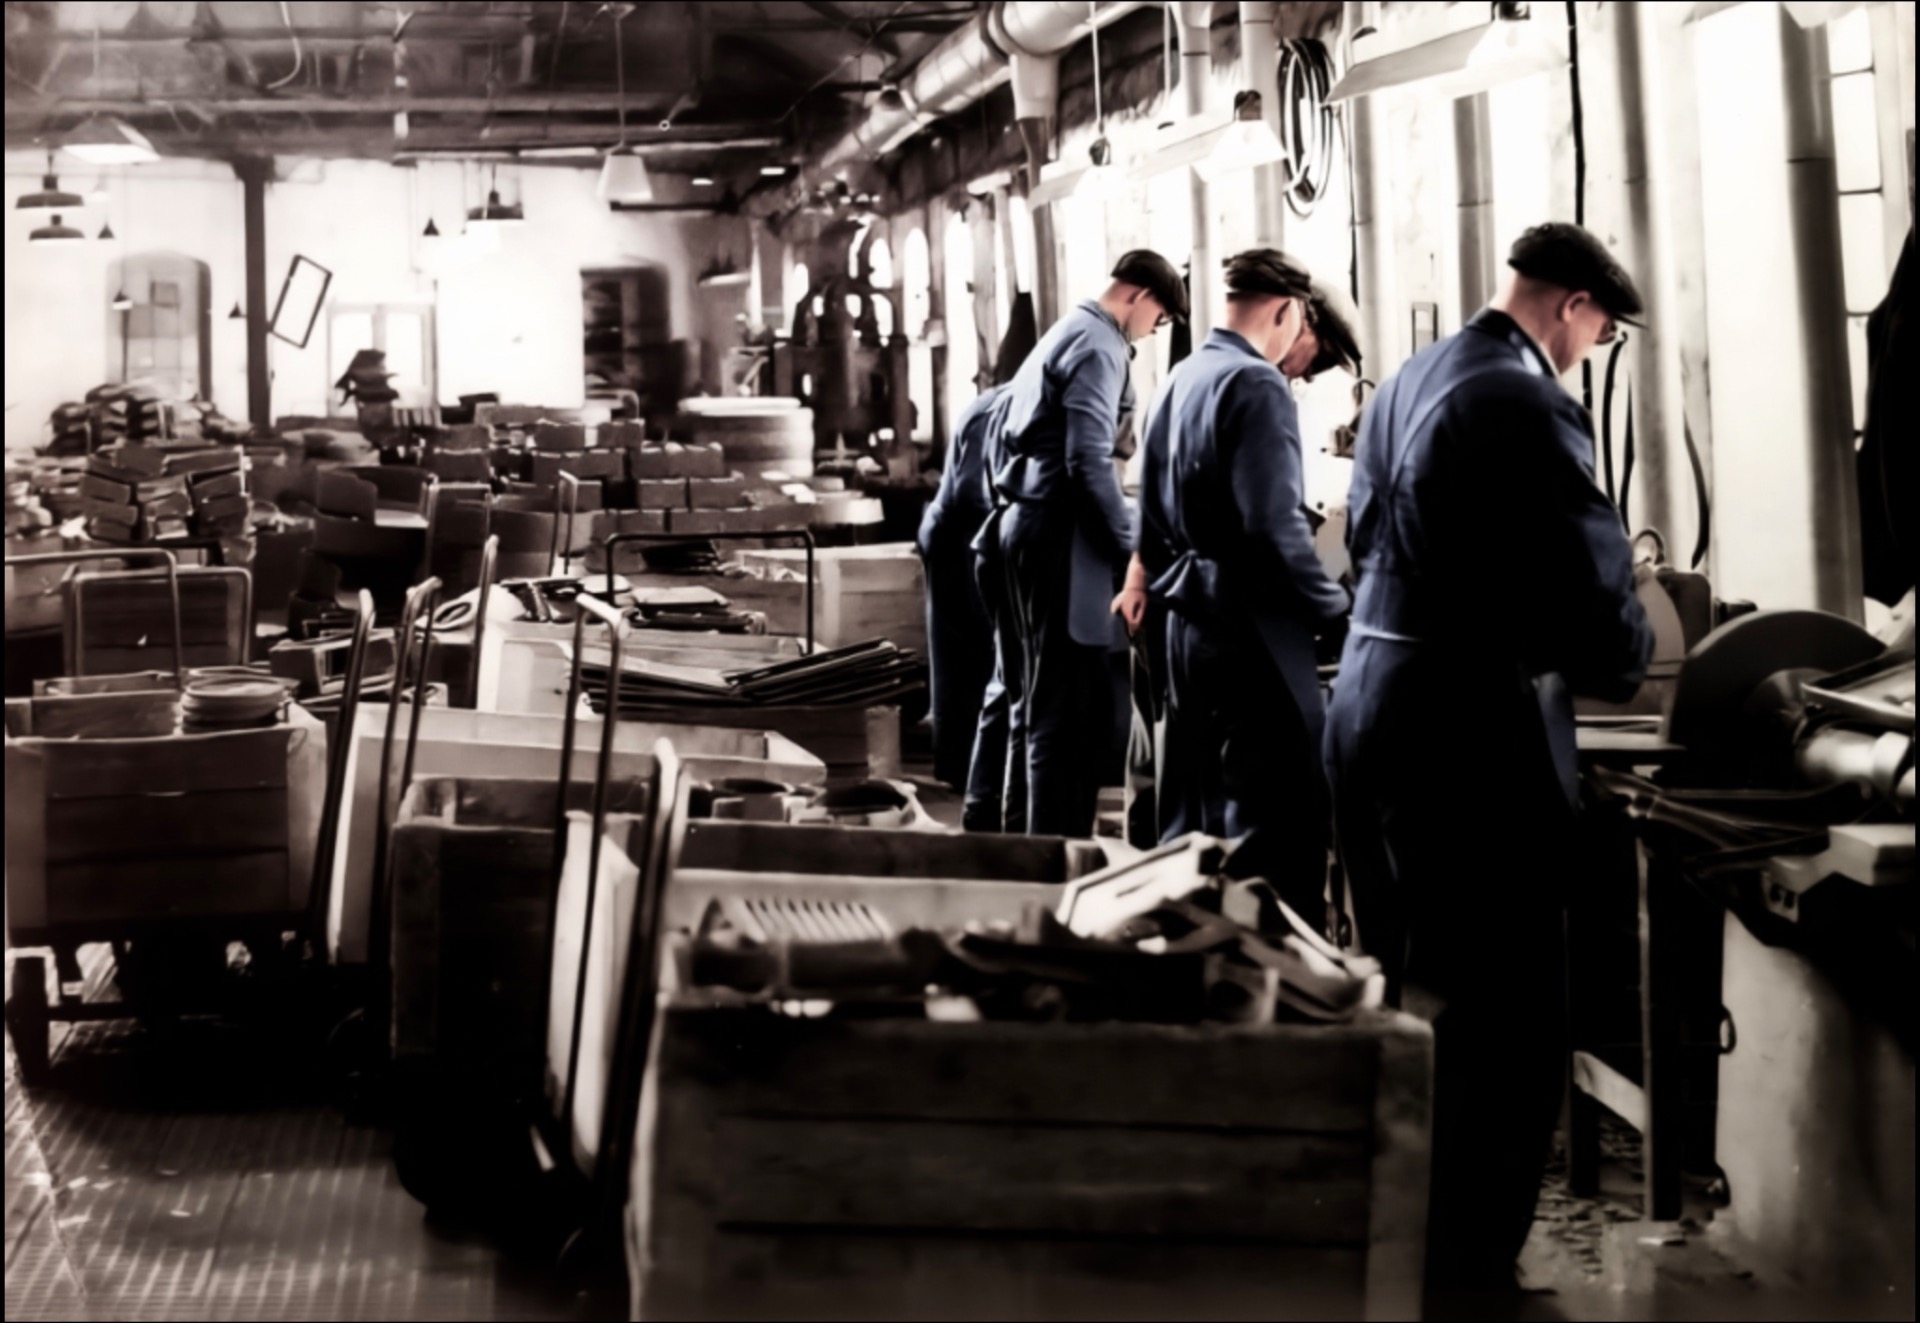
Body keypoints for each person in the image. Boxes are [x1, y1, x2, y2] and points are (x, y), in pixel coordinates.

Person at [1323, 222, 1655, 1302]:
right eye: (1600, 332)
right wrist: (1625, 654)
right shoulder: (1525, 400)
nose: (1592, 352)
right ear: (1572, 305)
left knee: (1414, 992)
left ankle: (1410, 1249)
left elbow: (1369, 542)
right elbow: (1591, 584)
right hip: (1459, 735)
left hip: (1372, 705)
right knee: (1504, 1024)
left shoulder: (1412, 377)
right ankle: (1468, 1278)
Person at [1116, 250, 1352, 919]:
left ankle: (1193, 952)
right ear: (1289, 310)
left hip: (1186, 624)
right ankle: (1277, 970)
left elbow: (1149, 509)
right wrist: (1335, 609)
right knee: (1278, 829)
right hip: (1253, 629)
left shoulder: (1183, 375)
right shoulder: (1257, 383)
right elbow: (1274, 528)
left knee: (1194, 820)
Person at [975, 250, 1185, 838]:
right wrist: (1131, 550)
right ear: (1138, 295)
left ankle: (1022, 848)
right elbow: (1088, 462)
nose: (1154, 330)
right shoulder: (1099, 345)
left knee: (1030, 705)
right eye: (1160, 317)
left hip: (1023, 522)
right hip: (1060, 534)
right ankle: (1054, 861)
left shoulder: (1064, 330)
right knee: (1061, 716)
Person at [917, 384, 1010, 800]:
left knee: (968, 661)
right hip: (959, 539)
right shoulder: (996, 409)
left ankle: (963, 768)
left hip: (963, 532)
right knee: (966, 661)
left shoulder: (1001, 400)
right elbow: (975, 490)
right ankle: (960, 771)